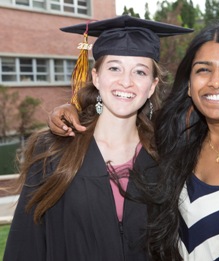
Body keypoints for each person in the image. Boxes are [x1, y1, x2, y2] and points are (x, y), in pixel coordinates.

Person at [47, 21, 219, 260]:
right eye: (203, 69)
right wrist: (73, 110)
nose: (216, 82)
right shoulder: (181, 141)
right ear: (189, 84)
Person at [3, 15, 192, 261]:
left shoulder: (166, 154)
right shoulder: (55, 151)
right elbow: (25, 244)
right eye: (114, 68)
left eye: (140, 72)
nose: (126, 81)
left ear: (153, 85)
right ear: (95, 77)